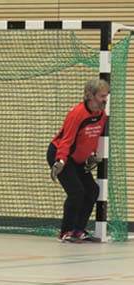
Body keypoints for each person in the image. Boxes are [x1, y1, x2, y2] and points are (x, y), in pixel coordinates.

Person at [46, 79, 109, 243]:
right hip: (61, 155)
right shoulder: (77, 113)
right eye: (102, 96)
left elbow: (92, 137)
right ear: (90, 95)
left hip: (78, 159)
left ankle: (78, 230)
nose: (105, 99)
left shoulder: (101, 115)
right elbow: (66, 140)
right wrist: (59, 161)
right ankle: (65, 232)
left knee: (92, 190)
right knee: (76, 192)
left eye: (106, 95)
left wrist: (92, 154)